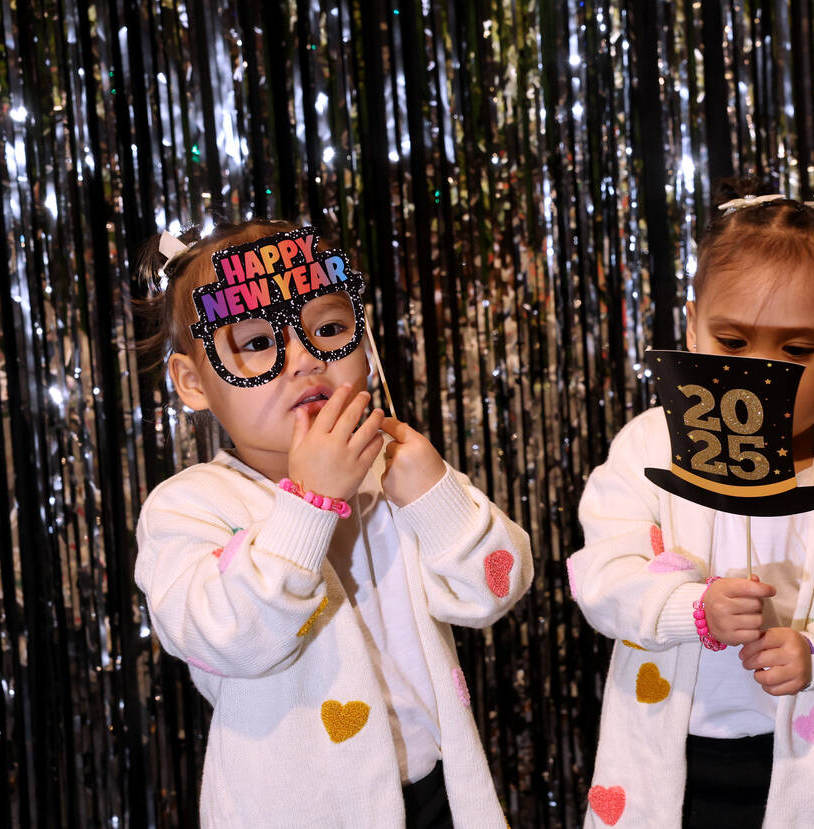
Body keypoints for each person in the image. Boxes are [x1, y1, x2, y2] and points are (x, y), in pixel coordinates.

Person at [133, 219, 531, 828]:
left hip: (438, 792)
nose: (304, 359)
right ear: (193, 383)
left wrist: (436, 496)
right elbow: (222, 636)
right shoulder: (188, 506)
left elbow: (495, 591)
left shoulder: (394, 470)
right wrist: (309, 504)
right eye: (259, 341)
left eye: (328, 328)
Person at [567, 179, 814, 828]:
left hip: (801, 776)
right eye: (733, 342)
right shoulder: (647, 450)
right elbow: (601, 577)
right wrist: (693, 608)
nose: (757, 376)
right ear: (690, 325)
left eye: (796, 351)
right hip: (661, 765)